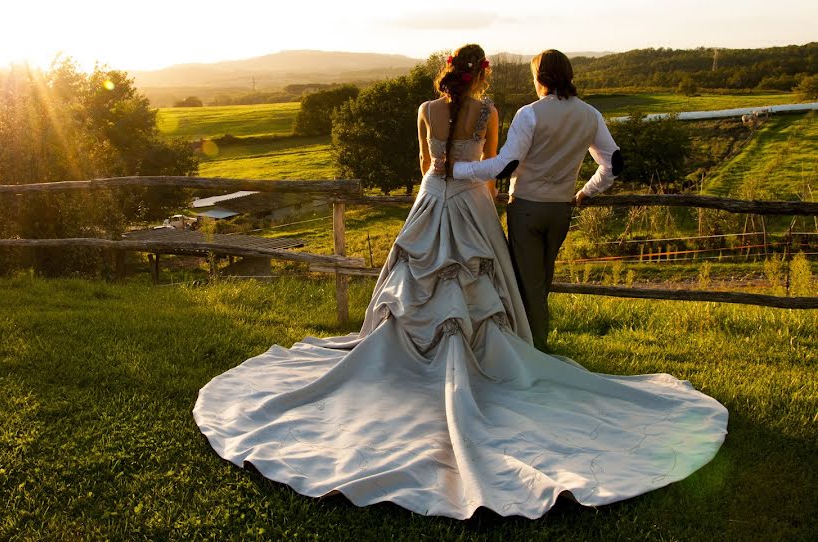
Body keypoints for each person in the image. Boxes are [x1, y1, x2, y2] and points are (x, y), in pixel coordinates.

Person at [194, 44, 727, 520]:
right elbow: (503, 165)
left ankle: (434, 345)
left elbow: (434, 161)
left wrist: (449, 176)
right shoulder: (506, 111)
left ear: (450, 72)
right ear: (483, 75)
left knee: (422, 274)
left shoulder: (429, 110)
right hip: (504, 204)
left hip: (438, 195)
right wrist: (526, 189)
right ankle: (521, 344)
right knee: (502, 278)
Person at [452, 49, 624, 352]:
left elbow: (507, 164)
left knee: (527, 284)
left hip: (527, 208)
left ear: (541, 78)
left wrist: (458, 169)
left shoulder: (529, 113)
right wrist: (587, 191)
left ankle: (535, 350)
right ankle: (533, 343)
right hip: (561, 210)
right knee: (542, 281)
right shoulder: (590, 115)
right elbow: (613, 164)